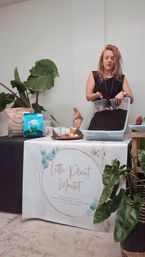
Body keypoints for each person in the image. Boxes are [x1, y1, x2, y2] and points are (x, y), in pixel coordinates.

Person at [86, 44, 134, 130]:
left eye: (113, 58)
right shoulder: (94, 75)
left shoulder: (120, 78)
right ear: (102, 60)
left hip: (117, 121)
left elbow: (132, 99)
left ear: (116, 61)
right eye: (106, 58)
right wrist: (96, 95)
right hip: (99, 120)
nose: (109, 61)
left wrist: (123, 93)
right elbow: (88, 96)